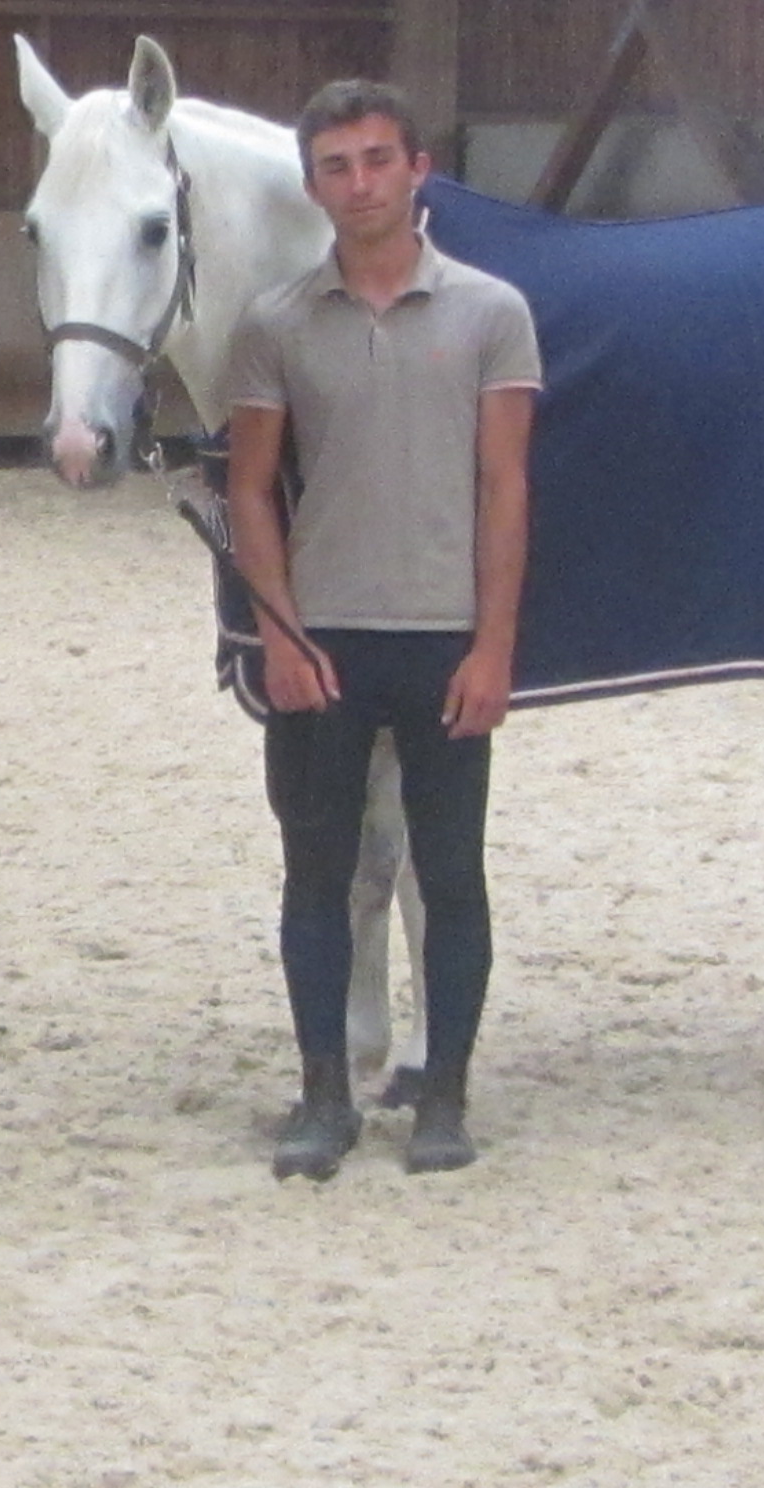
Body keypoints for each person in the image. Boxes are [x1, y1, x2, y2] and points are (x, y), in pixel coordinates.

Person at [225, 77, 539, 1181]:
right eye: (333, 166)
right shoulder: (274, 324)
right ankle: (321, 1095)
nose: (356, 184)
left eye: (374, 160)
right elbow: (251, 490)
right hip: (323, 642)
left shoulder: (491, 312)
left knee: (449, 875)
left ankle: (442, 1095)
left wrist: (494, 645)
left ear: (417, 169)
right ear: (312, 186)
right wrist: (278, 630)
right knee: (315, 874)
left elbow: (504, 488)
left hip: (442, 637)